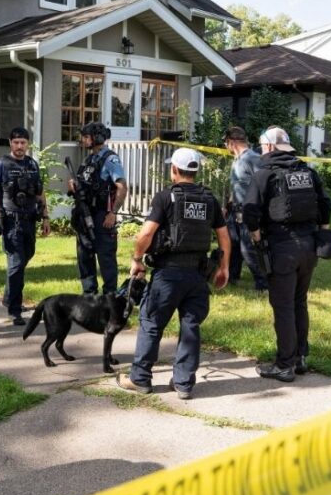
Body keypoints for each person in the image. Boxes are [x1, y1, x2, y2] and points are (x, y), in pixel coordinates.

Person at [117, 147, 229, 400]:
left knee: (151, 323)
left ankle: (140, 378)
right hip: (198, 276)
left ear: (175, 171)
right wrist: (225, 267)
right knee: (190, 326)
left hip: (168, 274)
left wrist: (137, 259)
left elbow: (146, 234)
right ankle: (183, 383)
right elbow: (223, 235)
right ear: (195, 171)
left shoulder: (166, 197)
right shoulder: (209, 199)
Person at [242, 126, 331, 383]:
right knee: (299, 302)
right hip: (309, 247)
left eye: (262, 147)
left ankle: (284, 365)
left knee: (282, 307)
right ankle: (300, 357)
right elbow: (326, 206)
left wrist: (257, 237)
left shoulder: (265, 174)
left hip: (281, 247)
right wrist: (321, 232)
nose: (261, 152)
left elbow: (250, 211)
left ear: (269, 147)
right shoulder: (307, 172)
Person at [0, 127, 51, 325]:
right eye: (16, 142)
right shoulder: (0, 164)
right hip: (11, 222)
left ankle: (8, 296)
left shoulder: (32, 164)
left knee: (26, 257)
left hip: (29, 220)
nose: (20, 146)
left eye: (23, 143)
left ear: (28, 144)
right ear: (11, 143)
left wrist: (45, 217)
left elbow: (40, 193)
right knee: (16, 263)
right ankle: (14, 310)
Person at [68, 121, 128, 295]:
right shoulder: (89, 159)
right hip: (84, 215)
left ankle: (110, 298)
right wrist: (74, 186)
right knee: (84, 257)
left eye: (86, 137)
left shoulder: (110, 159)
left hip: (102, 216)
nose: (83, 140)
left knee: (106, 259)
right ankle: (89, 297)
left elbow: (122, 187)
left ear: (97, 138)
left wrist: (113, 213)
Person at [224, 126, 268, 292]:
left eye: (226, 143)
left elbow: (263, 184)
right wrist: (227, 206)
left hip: (248, 211)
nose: (226, 147)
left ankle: (263, 284)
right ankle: (232, 277)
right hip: (234, 211)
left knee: (248, 249)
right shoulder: (237, 160)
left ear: (232, 142)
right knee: (232, 245)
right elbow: (236, 185)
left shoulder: (253, 159)